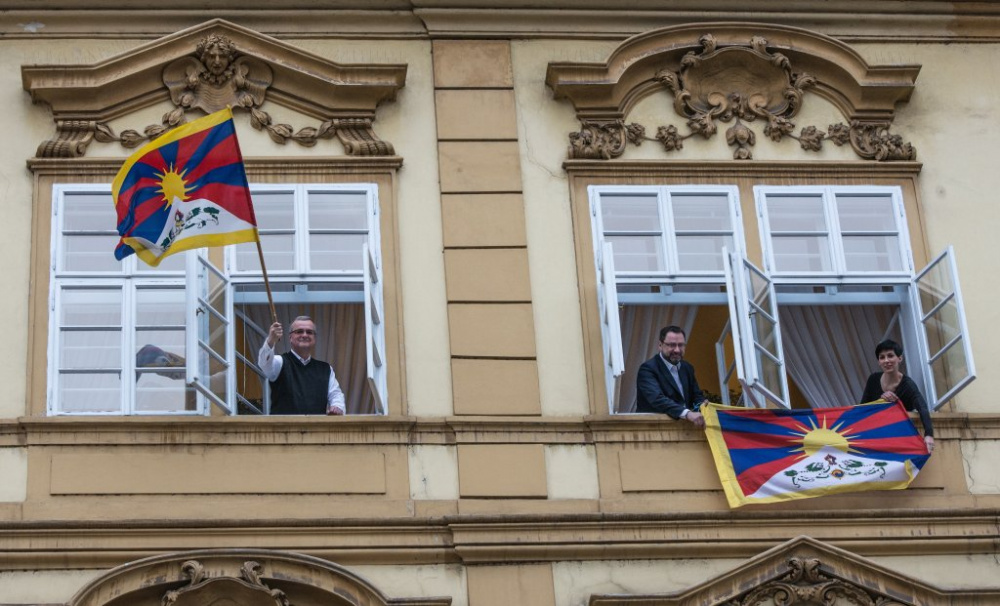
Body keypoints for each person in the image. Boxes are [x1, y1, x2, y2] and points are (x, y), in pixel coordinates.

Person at [257, 315, 346, 415]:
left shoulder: (325, 369)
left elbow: (336, 394)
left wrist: (337, 407)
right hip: (284, 429)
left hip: (316, 429)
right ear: (290, 337)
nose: (304, 335)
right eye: (299, 331)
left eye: (309, 332)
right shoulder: (280, 362)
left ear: (314, 338)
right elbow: (264, 363)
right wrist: (271, 340)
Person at [859, 339, 934, 452]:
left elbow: (922, 408)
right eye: (882, 357)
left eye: (890, 356)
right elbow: (862, 409)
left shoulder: (908, 385)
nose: (886, 360)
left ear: (900, 358)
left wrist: (929, 435)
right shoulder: (873, 379)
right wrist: (880, 400)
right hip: (875, 438)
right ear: (879, 362)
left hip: (899, 441)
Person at [636, 325, 710, 427]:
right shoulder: (648, 369)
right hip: (654, 429)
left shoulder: (687, 368)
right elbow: (657, 399)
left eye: (681, 345)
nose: (677, 350)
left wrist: (702, 404)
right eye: (672, 345)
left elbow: (696, 396)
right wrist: (687, 414)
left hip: (685, 429)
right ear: (660, 345)